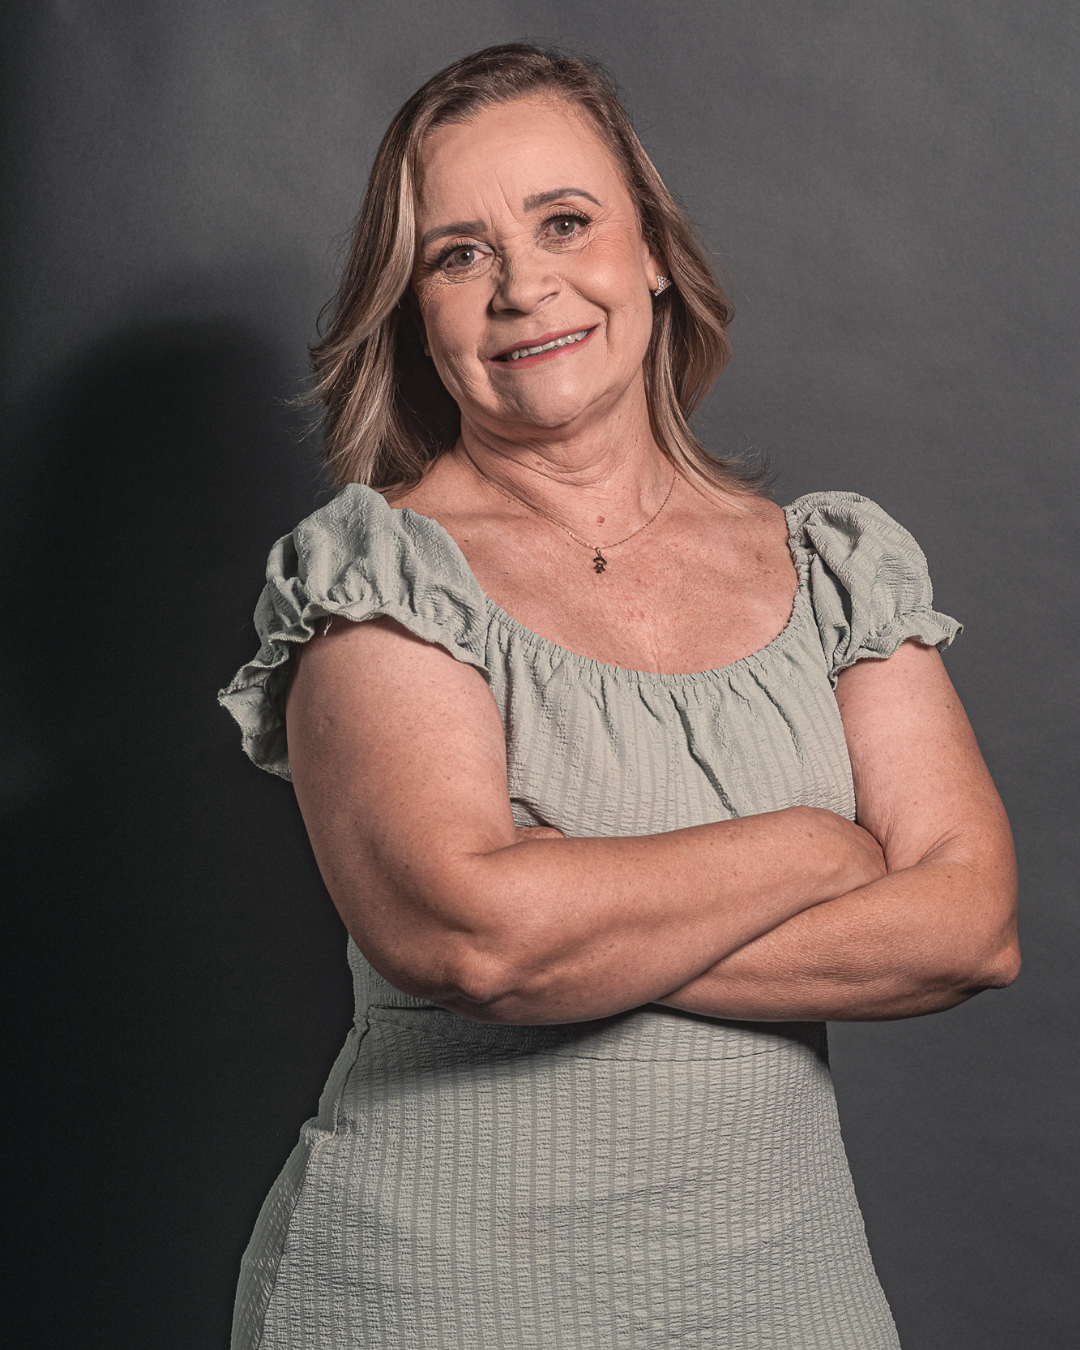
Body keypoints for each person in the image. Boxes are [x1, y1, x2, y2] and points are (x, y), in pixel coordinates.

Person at [220, 43, 1019, 1350]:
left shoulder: (834, 566)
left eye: (565, 222)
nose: (523, 285)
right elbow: (473, 942)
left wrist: (573, 920)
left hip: (788, 1301)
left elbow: (968, 927)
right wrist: (815, 848)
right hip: (431, 1300)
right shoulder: (377, 571)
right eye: (458, 254)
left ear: (650, 250)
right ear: (414, 309)